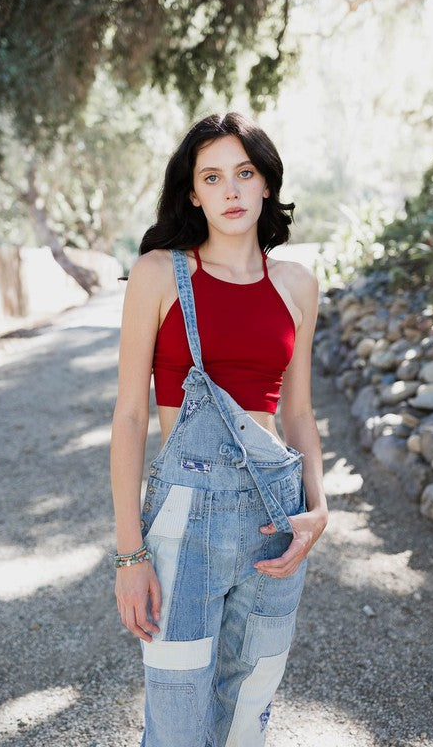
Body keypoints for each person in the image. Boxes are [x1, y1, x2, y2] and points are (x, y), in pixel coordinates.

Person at [110, 111, 327, 747]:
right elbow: (128, 414)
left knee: (246, 718)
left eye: (244, 172)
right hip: (184, 517)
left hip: (274, 520)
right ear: (192, 192)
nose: (231, 191)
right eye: (213, 177)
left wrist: (319, 507)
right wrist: (130, 553)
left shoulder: (297, 285)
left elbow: (299, 413)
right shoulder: (158, 274)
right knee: (177, 725)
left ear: (266, 185)